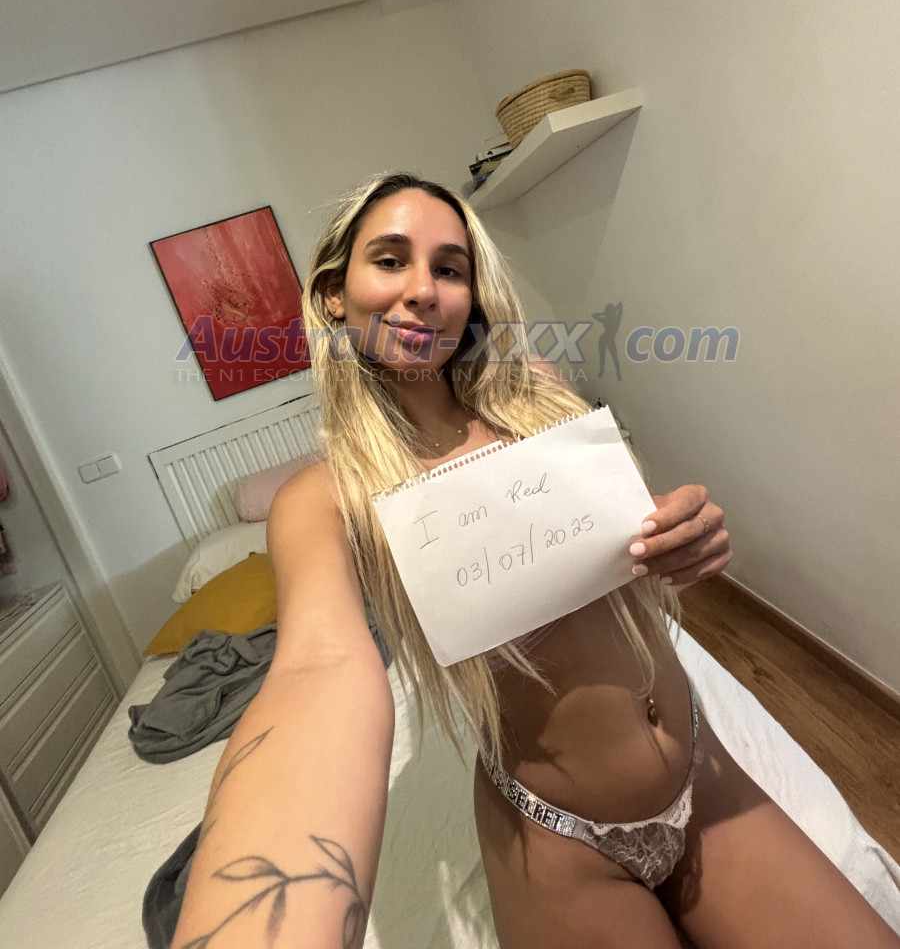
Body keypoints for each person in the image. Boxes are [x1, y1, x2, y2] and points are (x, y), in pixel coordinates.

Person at [172, 173, 899, 949]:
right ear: (332, 297)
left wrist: (683, 534)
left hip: (702, 772)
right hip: (561, 839)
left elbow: (632, 534)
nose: (423, 289)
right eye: (389, 260)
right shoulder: (323, 499)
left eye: (449, 269)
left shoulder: (537, 399)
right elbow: (317, 669)